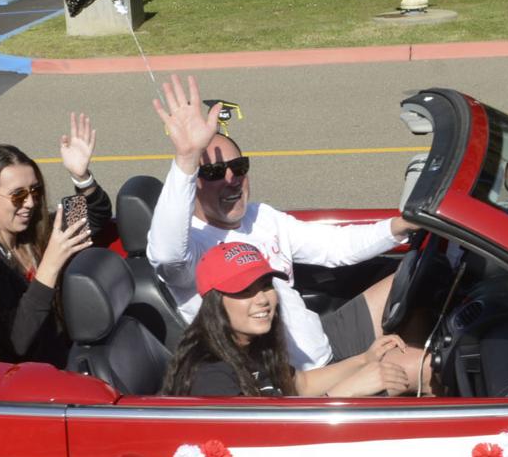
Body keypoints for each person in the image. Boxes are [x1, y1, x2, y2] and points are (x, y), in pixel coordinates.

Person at [148, 75, 429, 386]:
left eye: (239, 168)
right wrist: (187, 159)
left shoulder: (261, 217)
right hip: (294, 380)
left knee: (421, 275)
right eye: (214, 172)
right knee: (431, 368)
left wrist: (400, 226)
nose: (231, 180)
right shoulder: (192, 249)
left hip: (326, 341)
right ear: (193, 185)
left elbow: (335, 245)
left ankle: (403, 386)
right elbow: (166, 253)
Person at [161, 241, 412, 397]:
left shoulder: (250, 342)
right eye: (244, 291)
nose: (262, 299)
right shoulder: (211, 374)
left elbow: (300, 384)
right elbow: (258, 449)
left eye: (265, 285)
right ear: (215, 303)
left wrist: (364, 360)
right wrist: (344, 393)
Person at [0, 113, 114, 363]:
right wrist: (51, 264)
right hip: (35, 380)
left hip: (70, 352)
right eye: (18, 195)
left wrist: (81, 176)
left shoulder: (39, 230)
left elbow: (96, 216)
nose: (31, 203)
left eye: (35, 190)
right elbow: (17, 341)